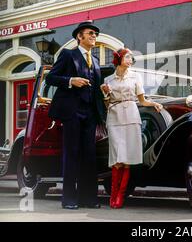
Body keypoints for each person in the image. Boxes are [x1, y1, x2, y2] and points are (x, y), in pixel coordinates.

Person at [46, 21, 105, 210]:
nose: (94, 36)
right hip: (72, 112)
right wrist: (71, 80)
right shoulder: (68, 55)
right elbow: (51, 78)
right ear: (79, 36)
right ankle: (69, 199)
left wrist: (103, 88)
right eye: (90, 33)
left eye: (95, 34)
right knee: (71, 154)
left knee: (89, 156)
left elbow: (96, 88)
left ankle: (88, 198)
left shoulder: (95, 61)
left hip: (90, 113)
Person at [101, 48, 163, 209]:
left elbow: (142, 101)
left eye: (131, 58)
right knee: (117, 159)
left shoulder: (136, 77)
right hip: (114, 117)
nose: (130, 60)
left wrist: (154, 103)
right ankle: (113, 194)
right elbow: (107, 104)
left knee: (127, 159)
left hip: (131, 117)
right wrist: (106, 94)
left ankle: (120, 196)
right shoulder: (108, 80)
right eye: (127, 57)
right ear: (119, 59)